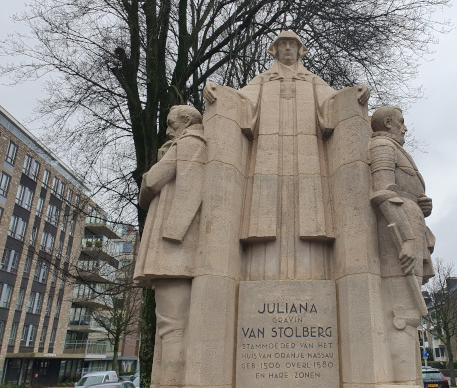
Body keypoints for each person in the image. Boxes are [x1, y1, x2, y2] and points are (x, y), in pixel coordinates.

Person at [204, 31, 369, 281]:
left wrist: (356, 92)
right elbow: (241, 101)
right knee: (264, 213)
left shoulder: (312, 80)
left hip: (307, 159)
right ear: (275, 50)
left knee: (310, 213)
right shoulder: (263, 80)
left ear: (300, 49)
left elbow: (332, 102)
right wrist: (216, 91)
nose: (288, 49)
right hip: (267, 159)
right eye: (283, 45)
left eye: (293, 44)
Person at [133, 105, 206, 387]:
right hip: (181, 249)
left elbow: (152, 181)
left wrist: (173, 233)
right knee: (174, 326)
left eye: (169, 123)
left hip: (173, 250)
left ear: (185, 122)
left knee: (172, 327)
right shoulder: (194, 145)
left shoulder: (187, 144)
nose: (166, 130)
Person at [369, 106, 435, 383]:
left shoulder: (395, 148)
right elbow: (383, 192)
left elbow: (399, 190)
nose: (405, 128)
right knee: (403, 316)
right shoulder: (383, 145)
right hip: (399, 233)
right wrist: (407, 238)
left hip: (410, 225)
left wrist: (422, 204)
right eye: (401, 122)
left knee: (410, 316)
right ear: (388, 123)